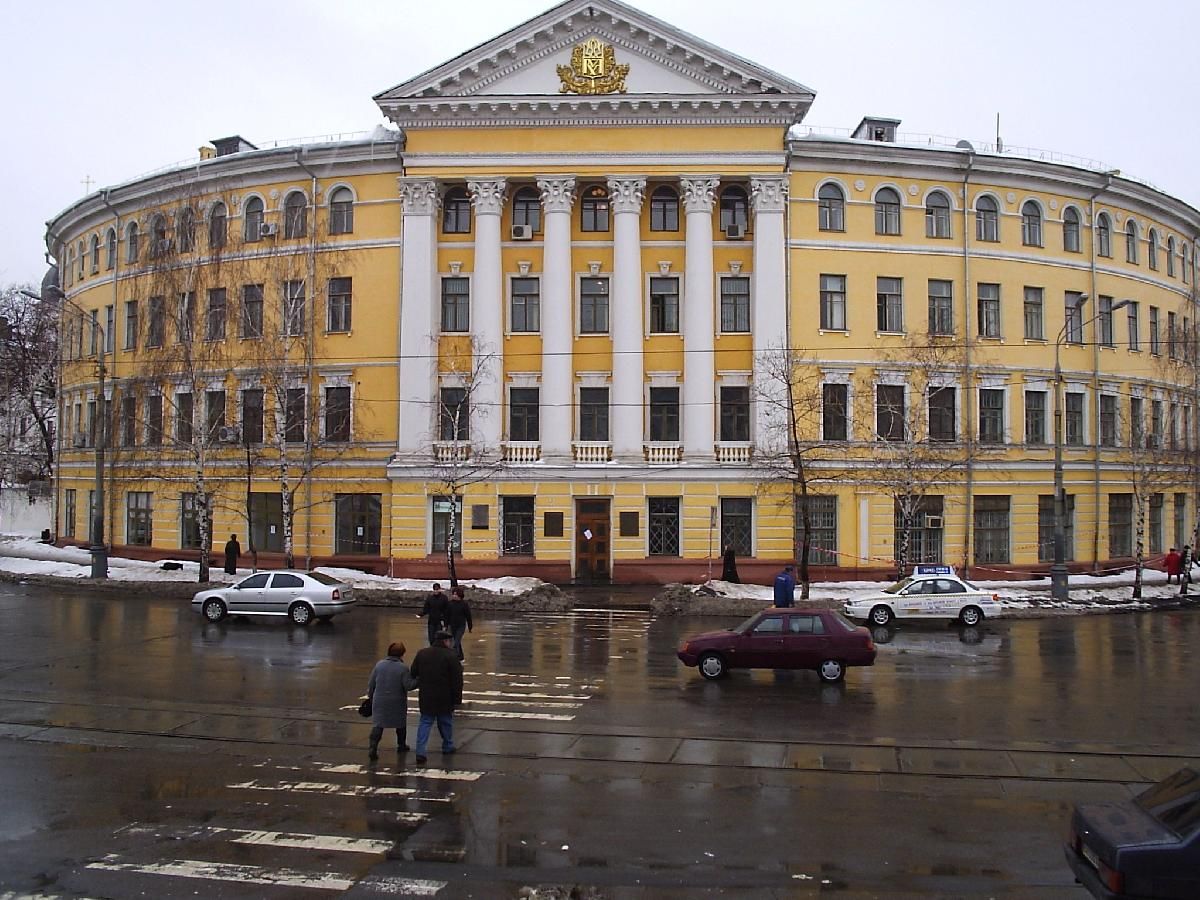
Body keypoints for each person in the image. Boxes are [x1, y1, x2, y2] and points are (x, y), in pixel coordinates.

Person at [409, 630, 463, 765]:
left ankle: (420, 751)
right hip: (445, 696)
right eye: (449, 641)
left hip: (426, 695)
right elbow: (457, 680)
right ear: (445, 641)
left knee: (425, 722)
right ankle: (447, 746)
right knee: (445, 722)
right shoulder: (451, 656)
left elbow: (413, 672)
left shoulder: (422, 653)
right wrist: (457, 699)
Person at [366, 641, 418, 761]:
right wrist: (418, 680)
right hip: (397, 701)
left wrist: (371, 697)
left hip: (380, 700)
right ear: (402, 654)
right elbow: (408, 685)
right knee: (400, 724)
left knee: (378, 724)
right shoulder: (403, 668)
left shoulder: (379, 665)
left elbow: (372, 683)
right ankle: (401, 745)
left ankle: (373, 747)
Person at [445, 585, 473, 661]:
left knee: (456, 642)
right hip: (452, 625)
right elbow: (447, 615)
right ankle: (461, 657)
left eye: (455, 594)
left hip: (461, 626)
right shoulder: (450, 604)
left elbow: (468, 616)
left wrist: (470, 627)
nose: (454, 596)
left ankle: (455, 659)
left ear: (459, 595)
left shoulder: (464, 604)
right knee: (456, 641)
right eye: (453, 594)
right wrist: (446, 625)